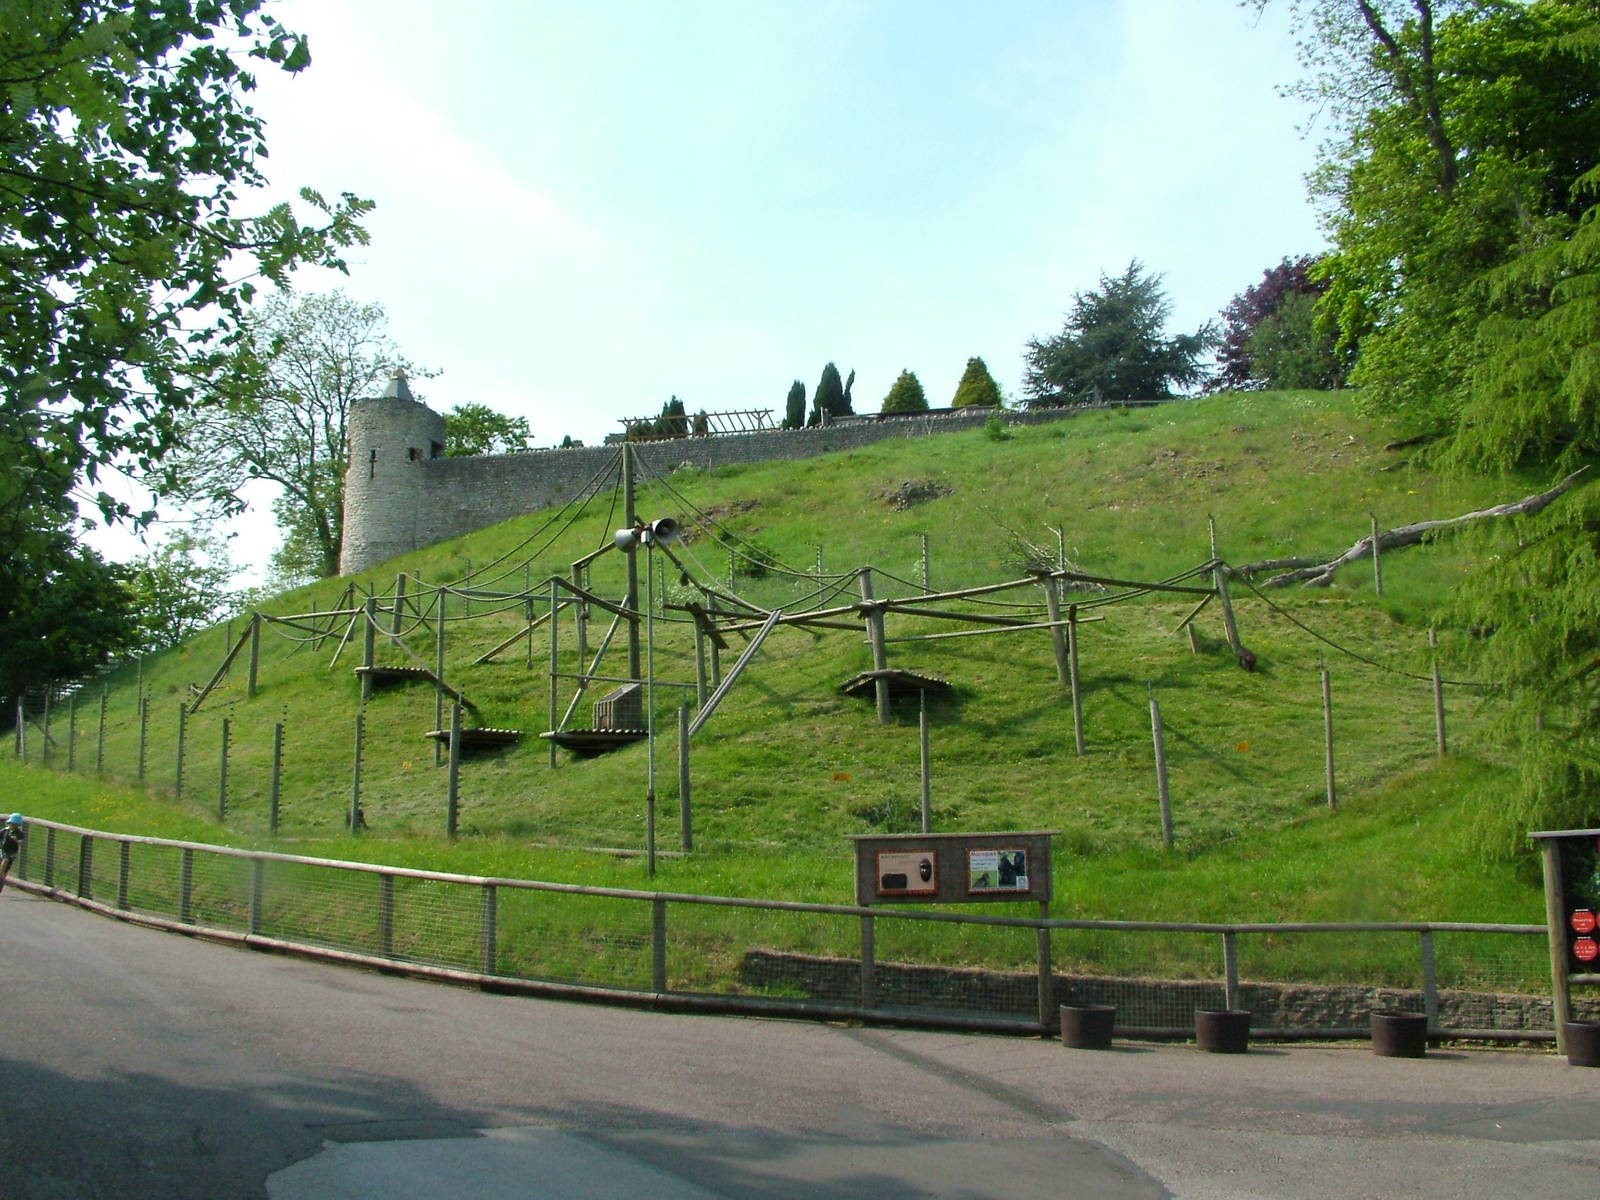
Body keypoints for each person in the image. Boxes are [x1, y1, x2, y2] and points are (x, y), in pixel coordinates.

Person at [0, 813, 24, 894]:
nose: (13, 826)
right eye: (11, 824)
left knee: (5, 869)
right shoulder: (5, 831)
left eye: (15, 824)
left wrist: (15, 840)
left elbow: (20, 843)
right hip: (2, 851)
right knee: (3, 860)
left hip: (11, 853)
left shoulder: (19, 834)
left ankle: (1, 881)